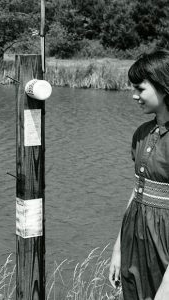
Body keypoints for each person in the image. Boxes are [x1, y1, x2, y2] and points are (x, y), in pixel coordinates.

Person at [109, 49, 169, 300]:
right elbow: (137, 191)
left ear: (164, 86)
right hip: (137, 236)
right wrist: (118, 249)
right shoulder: (142, 133)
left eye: (140, 89)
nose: (134, 96)